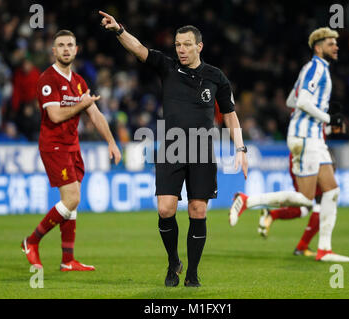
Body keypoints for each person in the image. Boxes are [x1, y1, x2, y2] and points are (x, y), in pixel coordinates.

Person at [99, 11, 248, 287]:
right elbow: (139, 49)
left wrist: (241, 148)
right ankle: (172, 262)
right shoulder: (167, 67)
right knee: (166, 209)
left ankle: (192, 273)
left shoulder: (216, 77)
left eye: (186, 44)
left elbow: (229, 114)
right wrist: (119, 30)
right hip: (172, 147)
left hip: (202, 150)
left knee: (197, 210)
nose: (180, 49)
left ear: (198, 46)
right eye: (177, 44)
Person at [21, 30, 122, 271]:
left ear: (76, 50)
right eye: (61, 45)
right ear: (53, 51)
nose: (66, 49)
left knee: (72, 202)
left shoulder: (79, 82)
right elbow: (54, 116)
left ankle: (68, 260)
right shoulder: (48, 79)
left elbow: (95, 115)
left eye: (70, 45)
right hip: (53, 146)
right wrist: (82, 103)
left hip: (72, 145)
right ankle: (31, 242)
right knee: (72, 198)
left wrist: (111, 141)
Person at [284, 27, 349, 262]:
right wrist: (327, 118)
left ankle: (324, 250)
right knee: (305, 200)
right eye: (331, 43)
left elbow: (290, 99)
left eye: (336, 43)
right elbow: (301, 101)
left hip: (313, 138)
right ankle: (252, 201)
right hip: (308, 138)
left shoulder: (310, 68)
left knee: (332, 191)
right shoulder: (316, 68)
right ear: (318, 47)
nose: (336, 47)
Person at [258, 105, 346, 257]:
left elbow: (318, 132)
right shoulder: (312, 107)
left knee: (305, 207)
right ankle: (303, 246)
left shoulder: (310, 107)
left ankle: (271, 214)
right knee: (319, 201)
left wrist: (332, 129)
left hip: (304, 156)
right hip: (307, 158)